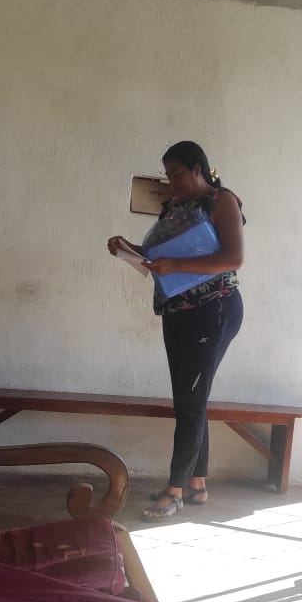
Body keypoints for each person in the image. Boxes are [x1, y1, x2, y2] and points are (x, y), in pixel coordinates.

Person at [108, 141, 245, 519]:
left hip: (214, 310)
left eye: (178, 174)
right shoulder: (174, 208)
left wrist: (176, 266)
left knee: (190, 402)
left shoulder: (222, 201)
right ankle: (196, 483)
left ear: (198, 169)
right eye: (168, 176)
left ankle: (175, 492)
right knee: (189, 399)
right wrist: (128, 248)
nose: (172, 183)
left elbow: (234, 258)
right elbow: (160, 261)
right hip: (177, 311)